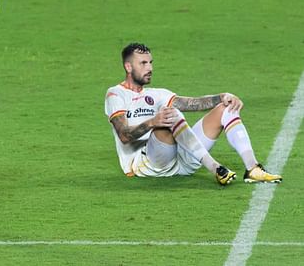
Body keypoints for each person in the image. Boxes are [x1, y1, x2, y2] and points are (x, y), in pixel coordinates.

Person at [104, 43, 282, 185]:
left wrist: (222, 97)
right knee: (170, 114)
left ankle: (253, 168)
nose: (149, 67)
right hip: (149, 164)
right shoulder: (116, 94)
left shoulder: (156, 93)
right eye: (143, 63)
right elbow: (124, 135)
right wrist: (153, 122)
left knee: (226, 108)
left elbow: (192, 103)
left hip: (182, 159)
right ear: (128, 67)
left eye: (151, 62)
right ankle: (215, 167)